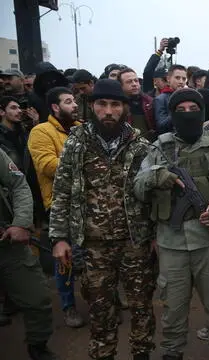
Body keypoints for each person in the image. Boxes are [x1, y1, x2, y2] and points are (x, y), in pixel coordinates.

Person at [49, 79, 156, 360]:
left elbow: (152, 195)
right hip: (93, 244)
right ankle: (104, 354)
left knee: (141, 305)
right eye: (102, 104)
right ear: (92, 106)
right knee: (100, 309)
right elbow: (61, 191)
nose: (108, 111)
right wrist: (59, 238)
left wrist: (156, 235)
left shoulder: (140, 144)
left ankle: (142, 354)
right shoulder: (76, 142)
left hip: (135, 241)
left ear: (124, 108)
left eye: (115, 105)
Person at [134, 88, 209, 360]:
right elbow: (136, 186)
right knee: (173, 310)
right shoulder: (158, 148)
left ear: (203, 112)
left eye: (194, 109)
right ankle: (172, 353)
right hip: (171, 243)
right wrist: (157, 176)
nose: (188, 115)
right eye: (181, 110)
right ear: (171, 115)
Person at [27, 86, 85, 329]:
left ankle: (106, 296)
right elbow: (48, 166)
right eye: (68, 101)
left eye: (74, 101)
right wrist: (81, 161)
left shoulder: (81, 128)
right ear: (54, 107)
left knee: (94, 254)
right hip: (59, 204)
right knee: (66, 258)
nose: (74, 106)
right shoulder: (41, 131)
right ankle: (68, 305)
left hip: (87, 201)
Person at [0, 148, 59, 360]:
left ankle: (38, 346)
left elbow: (18, 183)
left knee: (37, 299)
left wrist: (21, 223)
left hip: (7, 243)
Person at [118, 68, 155, 135]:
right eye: (129, 82)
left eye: (136, 81)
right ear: (121, 86)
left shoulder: (150, 102)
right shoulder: (117, 105)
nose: (134, 84)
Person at [154, 64, 188, 134]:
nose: (181, 82)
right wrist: (177, 112)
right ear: (168, 79)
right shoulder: (160, 99)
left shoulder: (188, 97)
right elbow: (161, 126)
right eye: (177, 78)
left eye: (184, 79)